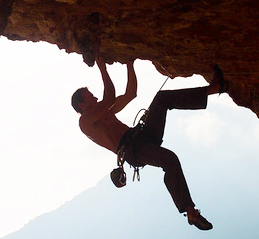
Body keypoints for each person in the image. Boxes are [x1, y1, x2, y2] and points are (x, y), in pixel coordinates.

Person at [71, 57, 226, 230]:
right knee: (170, 160)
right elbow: (109, 98)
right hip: (133, 150)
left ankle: (215, 88)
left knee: (161, 99)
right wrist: (102, 68)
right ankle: (190, 212)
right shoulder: (85, 123)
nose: (95, 97)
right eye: (90, 97)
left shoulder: (104, 112)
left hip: (142, 134)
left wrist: (130, 64)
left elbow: (131, 94)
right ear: (82, 105)